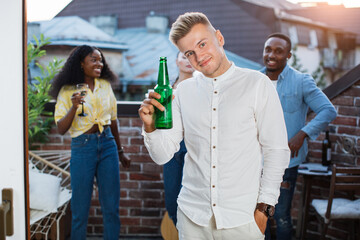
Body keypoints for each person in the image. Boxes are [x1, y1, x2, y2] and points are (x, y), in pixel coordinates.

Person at [139, 12, 290, 240]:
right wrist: (150, 128)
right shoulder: (183, 93)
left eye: (202, 44)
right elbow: (162, 155)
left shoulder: (257, 84)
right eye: (189, 52)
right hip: (192, 219)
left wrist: (264, 210)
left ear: (219, 38)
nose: (198, 57)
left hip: (244, 220)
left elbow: (276, 151)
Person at [261, 33, 337, 240]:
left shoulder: (301, 81)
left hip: (285, 163)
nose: (271, 55)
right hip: (255, 162)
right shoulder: (255, 81)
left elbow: (328, 110)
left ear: (288, 55)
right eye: (268, 49)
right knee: (260, 215)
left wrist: (302, 134)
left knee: (281, 215)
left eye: (278, 51)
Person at [51, 45, 131, 240]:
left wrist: (120, 152)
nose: (99, 63)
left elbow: (112, 120)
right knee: (80, 209)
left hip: (107, 145)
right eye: (93, 60)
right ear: (81, 63)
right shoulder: (68, 90)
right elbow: (61, 128)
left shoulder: (105, 86)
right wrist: (74, 107)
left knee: (111, 207)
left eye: (100, 60)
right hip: (82, 146)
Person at [163, 51, 195, 227]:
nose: (188, 60)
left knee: (192, 198)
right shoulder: (167, 88)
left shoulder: (202, 86)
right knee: (171, 201)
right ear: (176, 61)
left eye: (191, 56)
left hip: (194, 146)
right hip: (172, 147)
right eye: (184, 57)